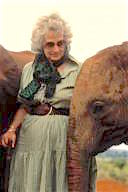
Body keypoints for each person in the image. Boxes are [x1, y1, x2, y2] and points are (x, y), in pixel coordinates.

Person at [1, 13, 97, 192]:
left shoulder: (78, 70)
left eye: (60, 43)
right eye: (50, 44)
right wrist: (12, 130)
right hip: (31, 139)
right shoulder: (30, 70)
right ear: (40, 46)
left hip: (62, 140)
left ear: (66, 42)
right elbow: (25, 105)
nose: (56, 49)